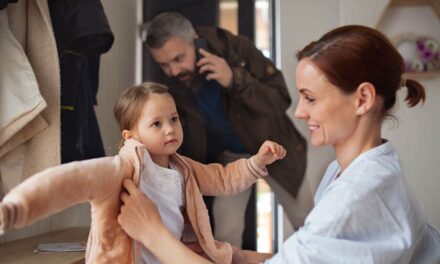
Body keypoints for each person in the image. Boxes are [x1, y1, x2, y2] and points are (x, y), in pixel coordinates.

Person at [117, 25, 440, 263]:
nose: (299, 112)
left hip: (267, 153)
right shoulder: (354, 172)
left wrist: (153, 234)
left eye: (310, 98)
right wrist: (236, 256)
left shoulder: (355, 198)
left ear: (363, 99)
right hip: (231, 157)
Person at [0, 82, 287, 264]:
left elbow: (224, 179)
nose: (170, 129)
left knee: (230, 254)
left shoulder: (184, 167)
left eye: (174, 119)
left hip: (172, 255)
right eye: (157, 124)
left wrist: (256, 162)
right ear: (130, 135)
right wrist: (17, 207)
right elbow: (72, 179)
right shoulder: (123, 168)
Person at [145, 11, 307, 247]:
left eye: (179, 58)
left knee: (307, 222)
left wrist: (235, 79)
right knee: (225, 234)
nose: (173, 70)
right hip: (229, 160)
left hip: (276, 148)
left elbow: (281, 99)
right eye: (164, 64)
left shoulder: (235, 47)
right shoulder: (169, 83)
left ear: (194, 39)